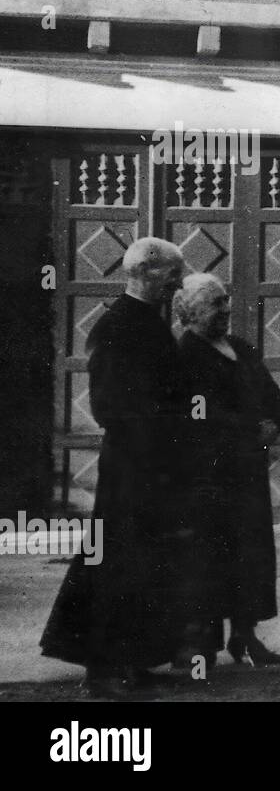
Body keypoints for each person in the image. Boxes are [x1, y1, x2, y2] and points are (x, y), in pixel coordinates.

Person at [40, 237, 187, 699]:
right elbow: (107, 405)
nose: (179, 282)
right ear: (144, 271)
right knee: (112, 565)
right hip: (131, 468)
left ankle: (135, 662)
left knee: (145, 565)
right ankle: (100, 672)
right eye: (171, 273)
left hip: (154, 466)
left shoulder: (149, 322)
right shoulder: (116, 325)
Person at [175, 273, 280, 668]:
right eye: (214, 304)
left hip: (248, 472)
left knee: (251, 556)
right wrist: (247, 429)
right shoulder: (184, 354)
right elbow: (198, 411)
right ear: (189, 311)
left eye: (225, 302)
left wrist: (274, 421)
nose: (225, 310)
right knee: (210, 558)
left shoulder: (240, 348)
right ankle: (200, 646)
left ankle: (246, 636)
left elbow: (274, 396)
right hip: (209, 475)